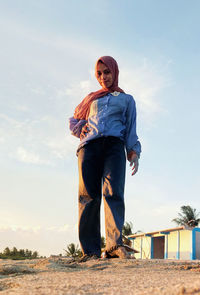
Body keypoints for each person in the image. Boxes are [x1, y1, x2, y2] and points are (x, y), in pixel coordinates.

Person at [69, 56, 141, 261]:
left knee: (114, 193)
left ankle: (113, 246)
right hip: (88, 148)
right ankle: (90, 251)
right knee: (88, 196)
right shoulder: (91, 98)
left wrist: (133, 151)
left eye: (107, 72)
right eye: (99, 73)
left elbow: (130, 128)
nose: (103, 77)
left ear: (115, 72)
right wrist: (79, 129)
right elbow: (75, 120)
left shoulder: (127, 99)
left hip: (114, 147)